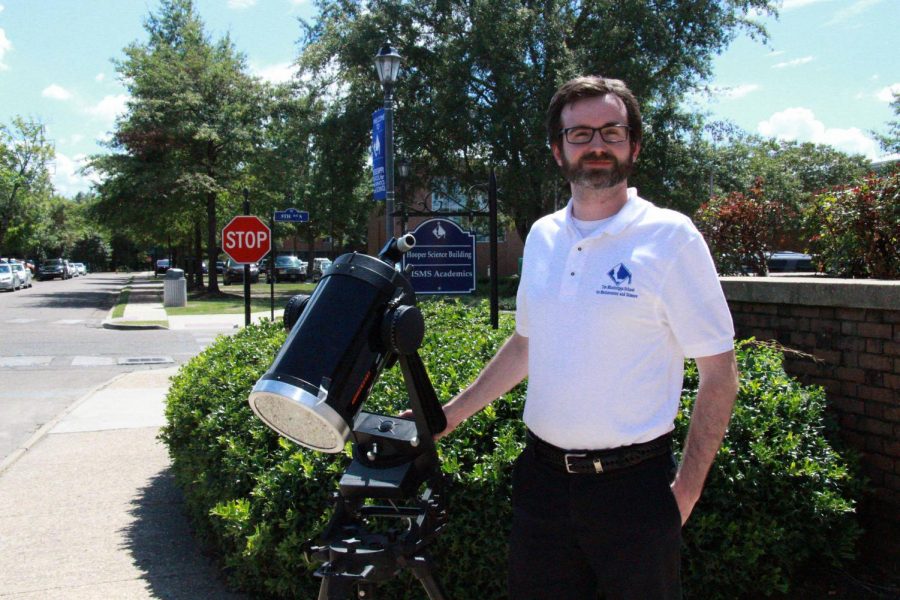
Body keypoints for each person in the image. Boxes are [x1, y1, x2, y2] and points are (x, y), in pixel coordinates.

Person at [438, 76, 739, 599]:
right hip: (542, 483)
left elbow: (719, 374)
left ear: (633, 146)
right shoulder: (542, 235)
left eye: (611, 131)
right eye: (579, 134)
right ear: (558, 150)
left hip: (636, 491)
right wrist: (447, 417)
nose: (596, 145)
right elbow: (527, 343)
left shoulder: (671, 237)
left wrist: (684, 494)